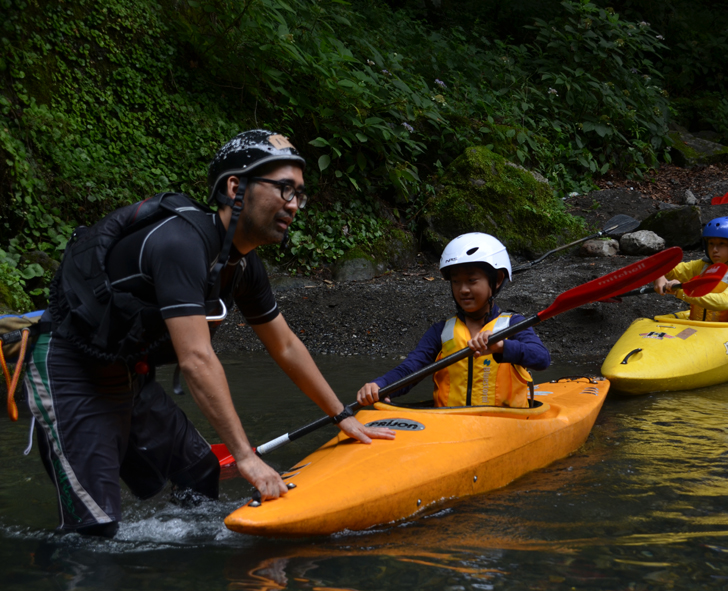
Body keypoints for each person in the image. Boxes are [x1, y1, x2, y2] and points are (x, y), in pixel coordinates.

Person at [24, 130, 394, 538]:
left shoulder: (245, 266)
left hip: (127, 369)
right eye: (284, 189)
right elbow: (196, 359)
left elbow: (286, 345)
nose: (293, 205)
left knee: (200, 473)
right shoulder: (182, 244)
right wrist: (244, 457)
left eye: (299, 194)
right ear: (236, 187)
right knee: (93, 532)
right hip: (70, 366)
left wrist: (342, 416)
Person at [356, 232, 550, 408]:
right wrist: (381, 385)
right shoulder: (441, 331)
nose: (463, 289)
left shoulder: (513, 325)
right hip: (451, 421)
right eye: (456, 281)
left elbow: (542, 359)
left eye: (472, 280)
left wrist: (502, 347)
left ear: (497, 280)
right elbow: (411, 369)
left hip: (504, 421)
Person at [653, 216, 728, 323]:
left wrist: (680, 291)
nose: (714, 250)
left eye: (722, 244)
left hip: (727, 332)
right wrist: (659, 276)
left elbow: (723, 302)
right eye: (711, 243)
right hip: (698, 327)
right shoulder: (702, 266)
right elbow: (668, 269)